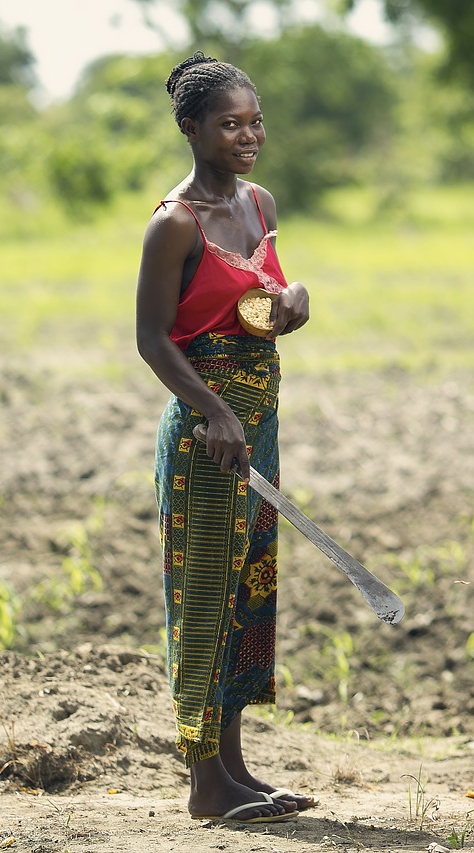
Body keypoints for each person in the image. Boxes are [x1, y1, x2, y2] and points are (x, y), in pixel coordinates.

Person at [135, 52, 315, 825]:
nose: (248, 136)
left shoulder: (260, 203)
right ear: (191, 129)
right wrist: (214, 411)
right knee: (205, 599)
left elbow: (264, 295)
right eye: (230, 124)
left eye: (255, 121)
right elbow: (152, 340)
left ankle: (237, 770)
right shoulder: (174, 223)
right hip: (207, 437)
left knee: (248, 592)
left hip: (258, 423)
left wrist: (294, 301)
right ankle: (205, 786)